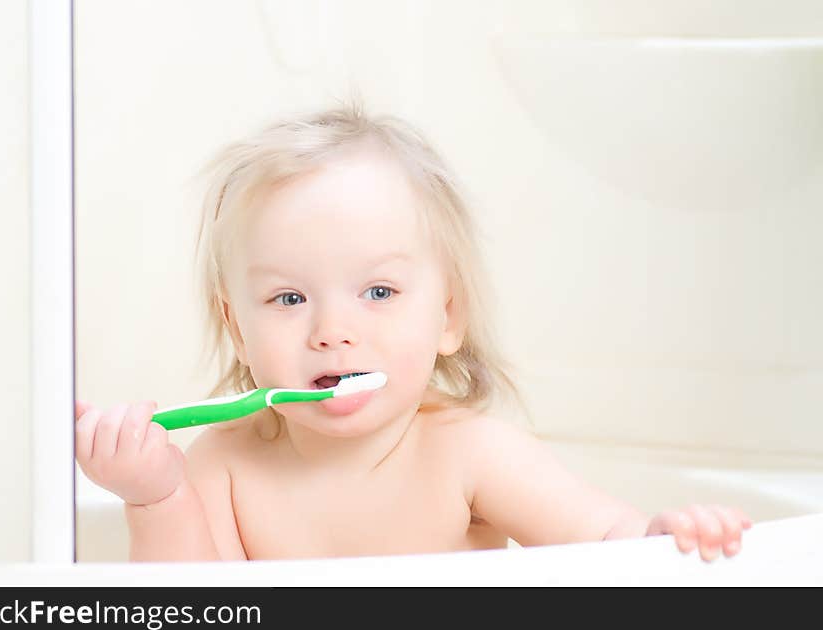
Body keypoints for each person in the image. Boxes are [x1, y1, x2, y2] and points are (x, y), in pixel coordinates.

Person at [75, 103, 751, 562]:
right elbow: (185, 616)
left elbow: (603, 539)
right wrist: (157, 495)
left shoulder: (471, 454)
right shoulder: (222, 467)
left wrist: (661, 540)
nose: (333, 330)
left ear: (448, 316)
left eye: (378, 292)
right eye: (288, 297)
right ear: (237, 327)